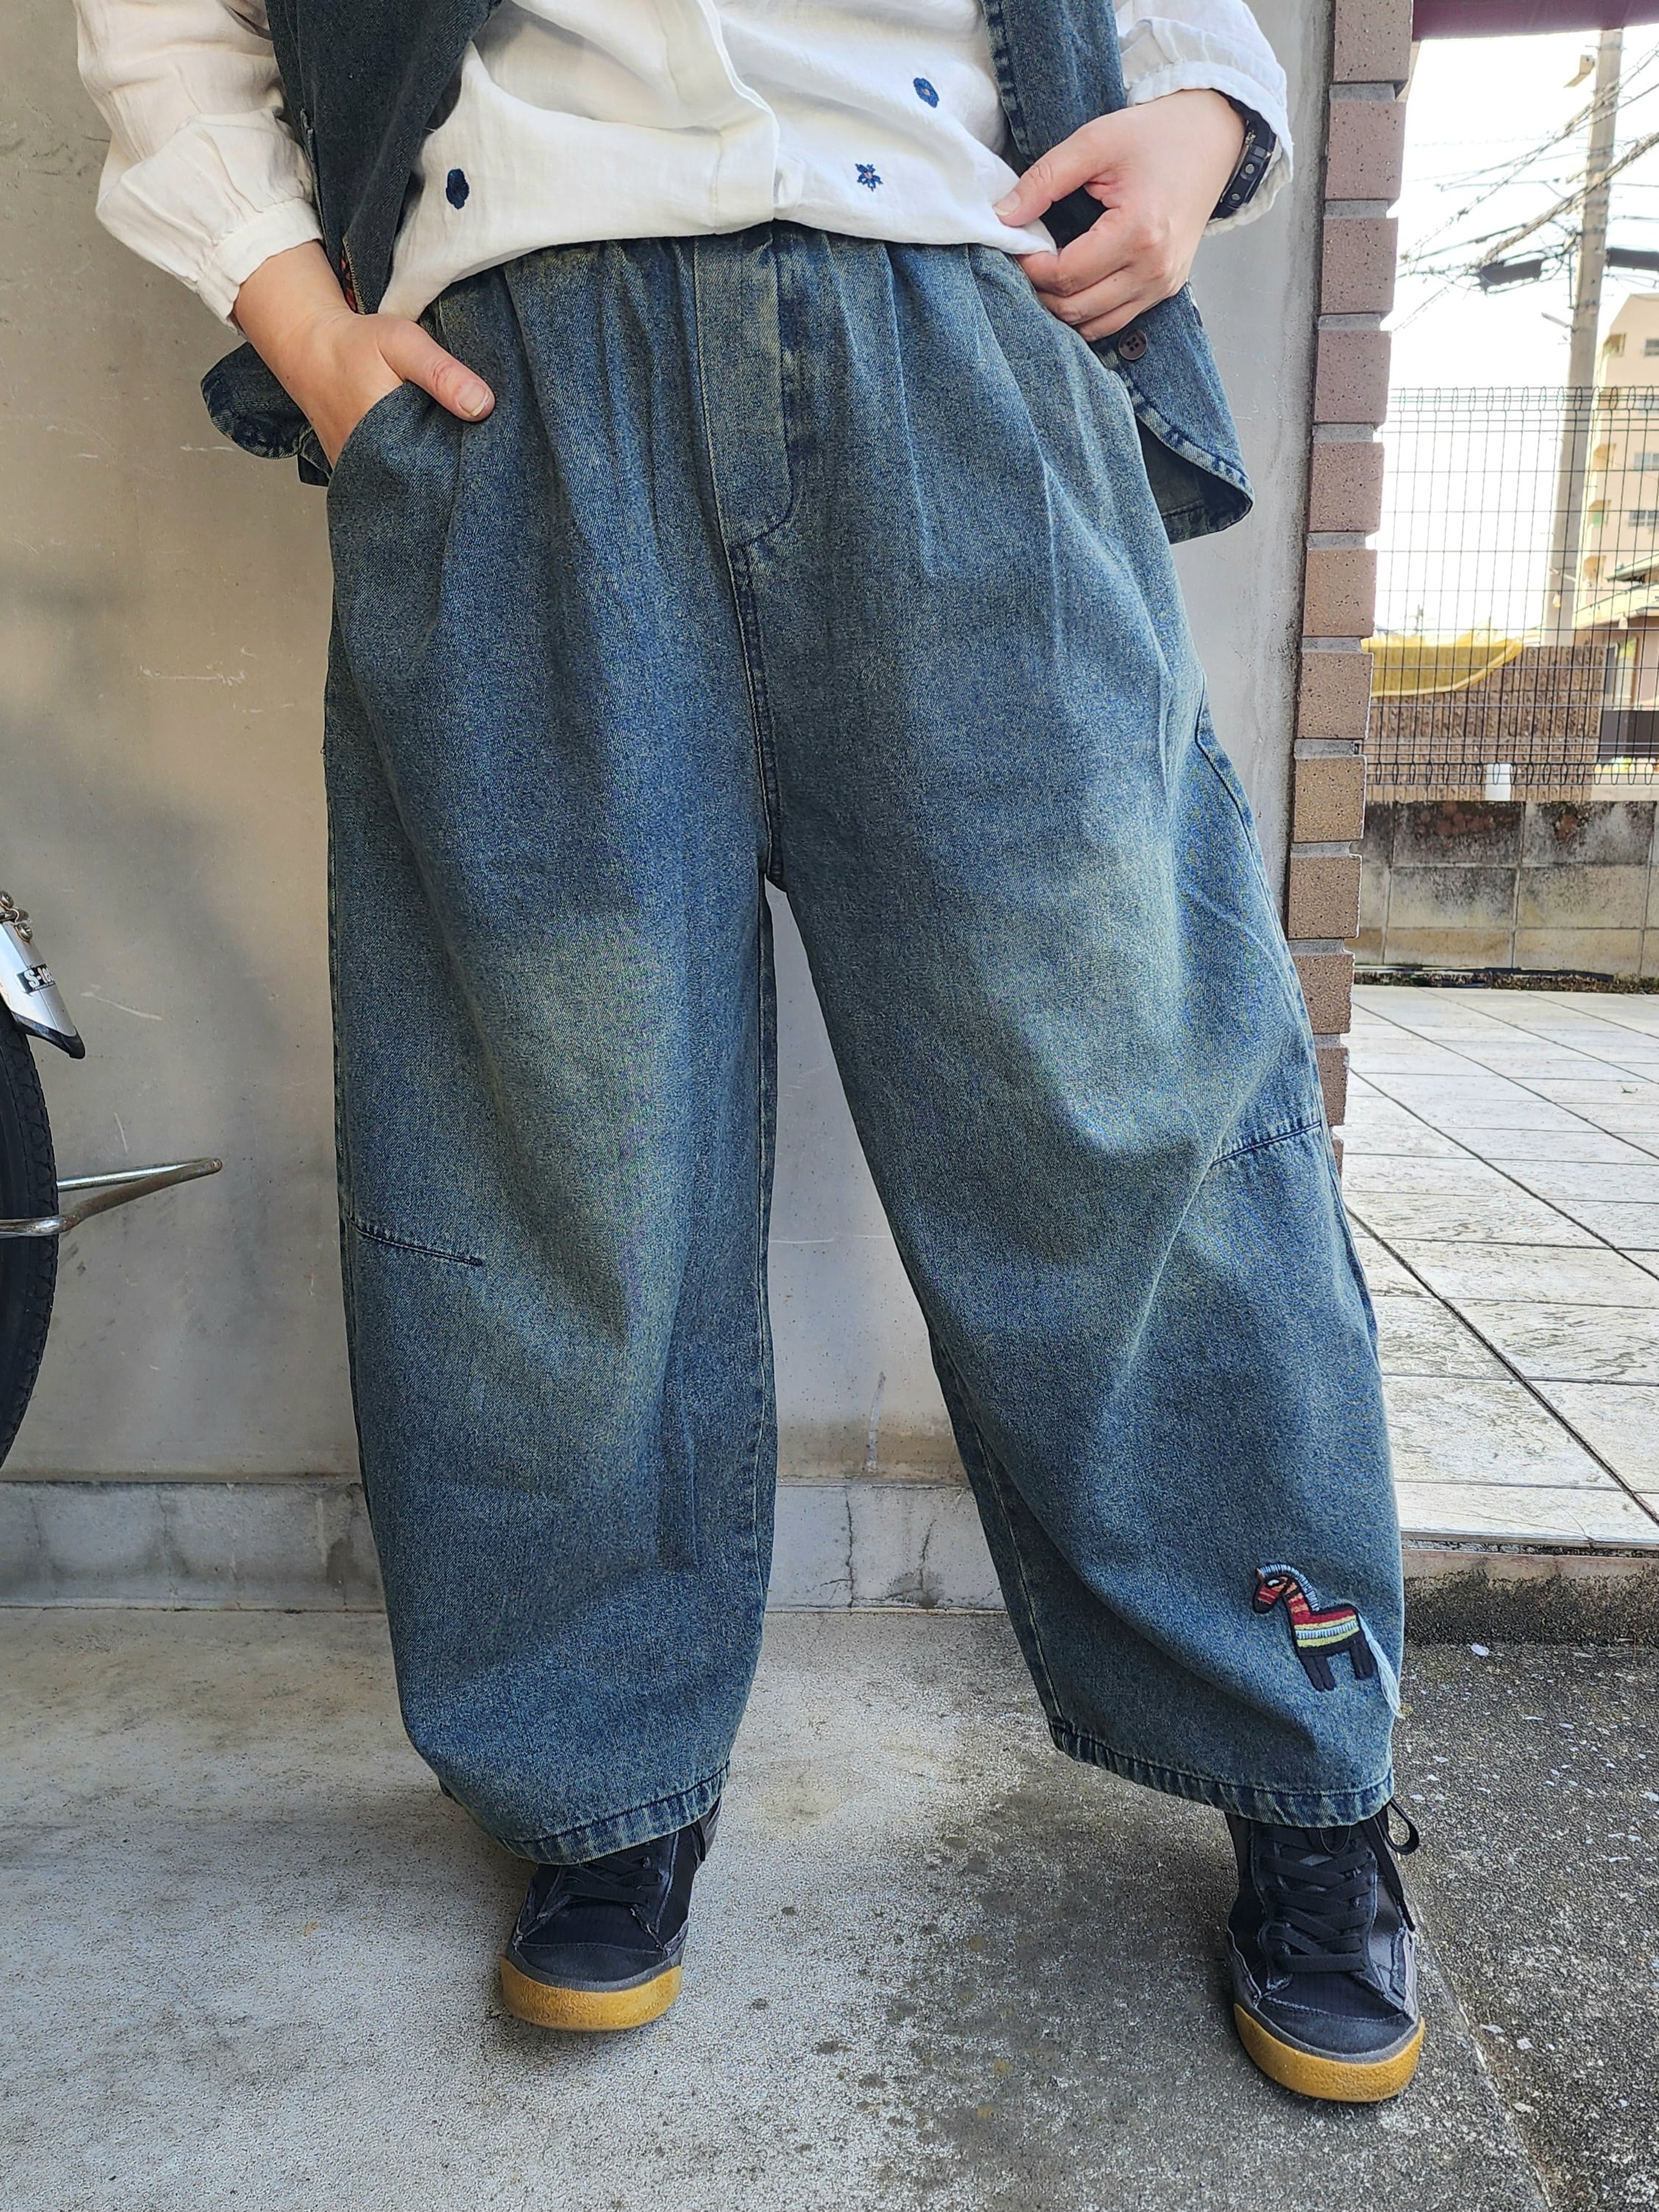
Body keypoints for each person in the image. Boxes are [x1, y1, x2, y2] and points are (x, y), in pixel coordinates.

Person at [74, 0, 1422, 2103]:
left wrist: (1198, 112)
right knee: (558, 1150)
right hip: (519, 375)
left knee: (1122, 1114)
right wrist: (301, 320)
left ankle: (1300, 1757)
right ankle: (595, 1776)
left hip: (959, 336)